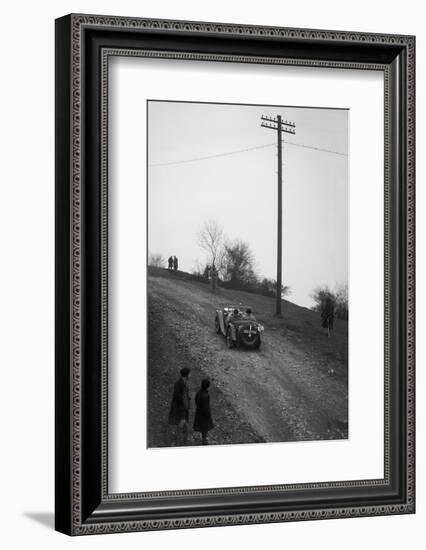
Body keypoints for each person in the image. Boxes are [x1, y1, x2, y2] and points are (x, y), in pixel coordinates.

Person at [168, 367, 191, 445]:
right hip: (180, 409)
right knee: (180, 425)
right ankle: (174, 442)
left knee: (184, 426)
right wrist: (184, 400)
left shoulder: (185, 382)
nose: (190, 376)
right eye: (189, 374)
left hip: (184, 408)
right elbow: (177, 396)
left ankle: (182, 442)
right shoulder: (178, 383)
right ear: (187, 375)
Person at [193, 378, 214, 445]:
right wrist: (209, 416)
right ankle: (204, 441)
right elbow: (206, 408)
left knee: (202, 428)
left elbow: (196, 401)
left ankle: (203, 439)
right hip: (204, 415)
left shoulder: (198, 393)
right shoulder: (205, 396)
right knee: (205, 428)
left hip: (199, 412)